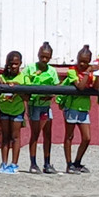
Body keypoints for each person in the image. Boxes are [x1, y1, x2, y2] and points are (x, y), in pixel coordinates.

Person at [22, 42, 59, 175]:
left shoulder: (52, 71)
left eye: (47, 57)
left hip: (46, 106)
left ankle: (47, 163)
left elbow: (56, 88)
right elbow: (24, 83)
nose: (44, 59)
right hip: (34, 105)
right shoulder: (30, 68)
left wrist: (49, 96)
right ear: (38, 55)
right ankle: (33, 163)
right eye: (42, 56)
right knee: (35, 133)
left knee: (48, 134)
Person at [60, 45, 96, 174]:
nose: (82, 64)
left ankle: (77, 162)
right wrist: (88, 73)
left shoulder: (91, 72)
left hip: (84, 108)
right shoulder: (72, 71)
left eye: (85, 62)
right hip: (72, 107)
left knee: (87, 138)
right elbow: (80, 86)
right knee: (69, 136)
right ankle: (68, 164)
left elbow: (96, 86)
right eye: (80, 60)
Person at [0, 51, 25, 174]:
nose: (13, 66)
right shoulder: (4, 77)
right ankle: (4, 162)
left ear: (20, 64)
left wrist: (16, 86)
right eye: (11, 64)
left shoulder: (23, 77)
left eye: (16, 64)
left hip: (17, 110)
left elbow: (26, 95)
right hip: (4, 109)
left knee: (15, 137)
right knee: (5, 137)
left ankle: (14, 163)